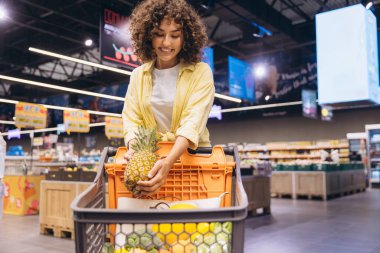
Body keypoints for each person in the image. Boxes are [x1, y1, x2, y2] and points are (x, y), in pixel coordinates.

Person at [122, 0, 215, 196]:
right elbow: (132, 120)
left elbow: (193, 122)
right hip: (151, 160)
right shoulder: (138, 76)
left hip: (191, 159)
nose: (166, 43)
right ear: (148, 36)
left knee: (190, 216)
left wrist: (169, 162)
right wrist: (133, 148)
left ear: (186, 37)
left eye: (175, 35)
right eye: (158, 34)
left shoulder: (201, 72)